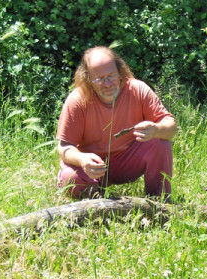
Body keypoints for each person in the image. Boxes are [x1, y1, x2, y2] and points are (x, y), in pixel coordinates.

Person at [55, 46, 177, 200]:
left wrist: (156, 129)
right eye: (99, 79)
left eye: (111, 76)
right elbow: (64, 147)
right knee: (70, 177)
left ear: (120, 73)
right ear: (88, 80)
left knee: (160, 142)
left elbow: (171, 126)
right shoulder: (77, 100)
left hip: (128, 163)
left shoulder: (138, 89)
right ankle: (94, 203)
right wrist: (82, 159)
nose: (107, 84)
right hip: (92, 167)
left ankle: (160, 202)